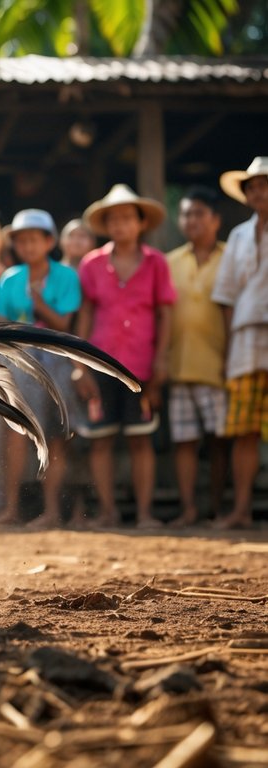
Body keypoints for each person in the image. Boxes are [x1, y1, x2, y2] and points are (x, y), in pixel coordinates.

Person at [74, 184, 176, 529]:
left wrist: (161, 358)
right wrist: (79, 363)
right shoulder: (92, 263)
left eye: (127, 218)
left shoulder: (156, 262)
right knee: (100, 440)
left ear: (141, 222)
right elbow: (86, 313)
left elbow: (165, 313)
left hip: (141, 364)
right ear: (106, 225)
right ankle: (108, 511)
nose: (120, 224)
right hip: (101, 362)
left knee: (140, 438)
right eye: (114, 219)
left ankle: (144, 513)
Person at [0, 210, 81, 528]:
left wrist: (39, 305)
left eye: (34, 239)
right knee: (16, 433)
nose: (27, 246)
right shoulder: (10, 278)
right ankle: (12, 508)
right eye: (21, 240)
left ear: (49, 242)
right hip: (18, 359)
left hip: (56, 358)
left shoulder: (66, 276)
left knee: (56, 435)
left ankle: (52, 510)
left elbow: (64, 324)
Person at [164, 186, 229, 527]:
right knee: (184, 442)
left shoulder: (231, 256)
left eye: (199, 213)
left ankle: (218, 509)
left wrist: (230, 358)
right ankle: (189, 509)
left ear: (216, 220)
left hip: (219, 364)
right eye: (187, 213)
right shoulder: (169, 262)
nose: (192, 220)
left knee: (221, 441)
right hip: (179, 365)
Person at [212, 156, 268, 530]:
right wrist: (229, 346)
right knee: (244, 431)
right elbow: (227, 296)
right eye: (253, 187)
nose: (258, 192)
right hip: (246, 339)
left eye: (264, 185)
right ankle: (242, 509)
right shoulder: (238, 236)